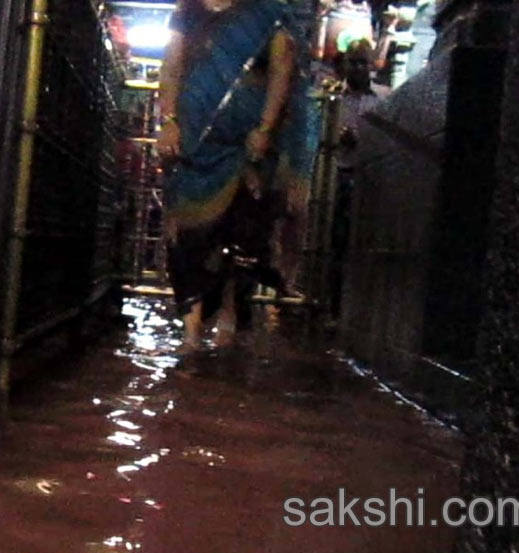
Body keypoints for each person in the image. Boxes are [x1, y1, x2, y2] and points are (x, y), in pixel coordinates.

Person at [157, 0, 316, 353]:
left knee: (238, 235)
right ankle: (191, 330)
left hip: (247, 149)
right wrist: (168, 122)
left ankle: (228, 320)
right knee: (187, 236)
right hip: (194, 142)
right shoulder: (187, 12)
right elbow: (171, 68)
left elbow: (281, 68)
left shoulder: (266, 13)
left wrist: (265, 127)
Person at [328, 38, 385, 320]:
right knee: (333, 242)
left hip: (369, 177)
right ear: (345, 64)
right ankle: (331, 305)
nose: (359, 68)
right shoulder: (332, 99)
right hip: (336, 176)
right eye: (354, 62)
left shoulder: (383, 100)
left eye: (364, 62)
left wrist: (359, 140)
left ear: (372, 65)